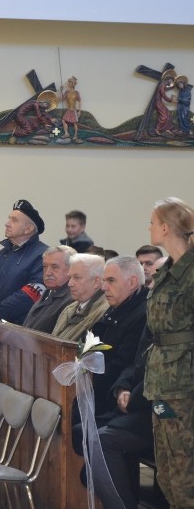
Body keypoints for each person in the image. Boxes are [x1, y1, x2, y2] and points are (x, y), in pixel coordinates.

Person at [144, 197, 194, 507]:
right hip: (162, 378)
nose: (149, 227)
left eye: (152, 222)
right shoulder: (168, 270)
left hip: (185, 383)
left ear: (165, 227)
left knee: (185, 467)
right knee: (165, 468)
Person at [93, 325, 156, 509]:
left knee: (101, 439)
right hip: (139, 403)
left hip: (158, 408)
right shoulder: (153, 315)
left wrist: (133, 398)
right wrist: (122, 388)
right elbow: (137, 363)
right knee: (95, 436)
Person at [0, 199, 48, 325]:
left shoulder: (43, 255)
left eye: (14, 220)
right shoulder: (3, 253)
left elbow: (32, 293)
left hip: (18, 329)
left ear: (28, 229)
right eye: (9, 219)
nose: (7, 223)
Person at [91, 256, 148, 416]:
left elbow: (123, 363)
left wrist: (87, 382)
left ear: (132, 282)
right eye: (104, 280)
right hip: (99, 389)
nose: (103, 287)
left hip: (113, 398)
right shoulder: (119, 305)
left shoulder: (143, 314)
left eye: (111, 280)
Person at [51, 254, 108, 341]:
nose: (70, 284)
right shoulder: (69, 308)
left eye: (77, 278)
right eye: (70, 277)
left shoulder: (104, 312)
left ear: (96, 281)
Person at [23, 245, 77, 334]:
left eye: (54, 267)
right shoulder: (48, 292)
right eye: (45, 266)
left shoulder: (72, 299)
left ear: (71, 269)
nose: (48, 273)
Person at [150, 72, 176, 137]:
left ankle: (167, 128)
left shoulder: (164, 85)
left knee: (168, 114)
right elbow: (163, 95)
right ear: (169, 80)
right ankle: (157, 129)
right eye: (171, 80)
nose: (171, 82)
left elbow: (165, 90)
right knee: (164, 116)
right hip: (157, 102)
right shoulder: (162, 85)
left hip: (159, 101)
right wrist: (171, 100)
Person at [60, 76, 82, 140]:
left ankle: (75, 135)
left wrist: (79, 111)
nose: (68, 84)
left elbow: (80, 101)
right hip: (69, 110)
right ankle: (66, 133)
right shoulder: (67, 92)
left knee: (75, 123)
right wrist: (61, 91)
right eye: (68, 82)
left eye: (70, 82)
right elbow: (62, 99)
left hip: (74, 110)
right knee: (63, 120)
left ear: (73, 84)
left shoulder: (76, 93)